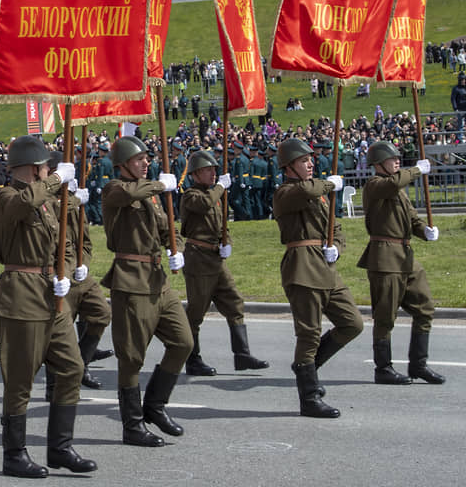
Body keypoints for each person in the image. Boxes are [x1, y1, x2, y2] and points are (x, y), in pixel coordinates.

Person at [0, 135, 96, 478]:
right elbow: (23, 205)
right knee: (20, 381)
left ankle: (60, 447)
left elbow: (63, 232)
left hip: (53, 294)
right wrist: (55, 180)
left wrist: (66, 270)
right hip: (22, 295)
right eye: (46, 165)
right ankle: (14, 455)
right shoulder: (8, 196)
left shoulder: (46, 200)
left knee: (71, 368)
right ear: (35, 169)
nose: (51, 169)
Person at [100, 136, 193, 448]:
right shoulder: (115, 189)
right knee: (131, 358)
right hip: (131, 280)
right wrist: (159, 185)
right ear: (123, 164)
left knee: (183, 342)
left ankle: (154, 405)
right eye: (139, 159)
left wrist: (175, 246)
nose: (146, 163)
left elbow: (168, 227)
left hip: (158, 279)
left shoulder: (152, 195)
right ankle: (133, 425)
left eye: (147, 158)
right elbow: (129, 194)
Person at [273, 139, 363, 419]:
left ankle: (306, 367)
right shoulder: (286, 192)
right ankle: (309, 398)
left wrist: (337, 245)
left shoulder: (318, 193)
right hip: (301, 266)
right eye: (304, 161)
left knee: (352, 323)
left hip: (325, 267)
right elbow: (307, 190)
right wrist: (329, 184)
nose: (311, 164)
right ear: (288, 167)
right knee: (309, 333)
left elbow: (334, 226)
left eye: (311, 160)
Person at [358, 142, 444, 385]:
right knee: (385, 316)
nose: (397, 161)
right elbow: (393, 183)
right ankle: (383, 368)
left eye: (398, 158)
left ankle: (419, 365)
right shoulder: (375, 185)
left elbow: (412, 219)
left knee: (425, 308)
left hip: (406, 256)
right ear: (377, 164)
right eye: (391, 158)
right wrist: (417, 170)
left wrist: (424, 231)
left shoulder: (398, 190)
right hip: (385, 257)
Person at [178, 150, 269, 376]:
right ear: (196, 174)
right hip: (198, 258)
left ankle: (242, 354)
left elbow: (219, 223)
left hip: (215, 258)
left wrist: (225, 240)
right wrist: (221, 188)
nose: (213, 174)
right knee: (196, 311)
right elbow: (204, 205)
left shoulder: (214, 195)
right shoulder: (191, 195)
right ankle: (192, 359)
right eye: (208, 170)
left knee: (234, 302)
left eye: (214, 170)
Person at [44, 152, 112, 397]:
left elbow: (84, 240)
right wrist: (74, 200)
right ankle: (53, 386)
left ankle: (81, 365)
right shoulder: (49, 198)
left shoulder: (72, 197)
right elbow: (53, 210)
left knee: (101, 314)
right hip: (58, 272)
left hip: (78, 271)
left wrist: (85, 263)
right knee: (59, 332)